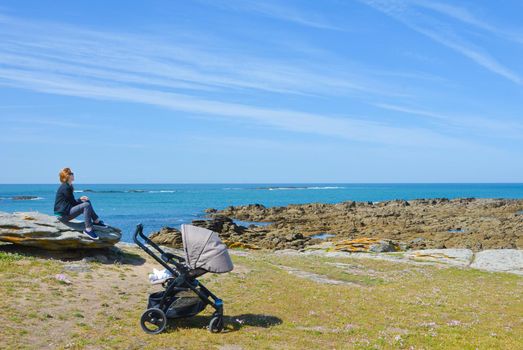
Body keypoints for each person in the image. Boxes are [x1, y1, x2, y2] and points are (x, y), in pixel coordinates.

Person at [54, 168, 106, 240]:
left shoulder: (68, 186)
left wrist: (81, 199)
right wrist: (80, 200)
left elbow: (71, 201)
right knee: (86, 205)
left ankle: (96, 221)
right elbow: (73, 203)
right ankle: (88, 230)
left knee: (86, 202)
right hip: (63, 216)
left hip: (66, 211)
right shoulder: (66, 187)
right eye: (71, 173)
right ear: (67, 176)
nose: (73, 174)